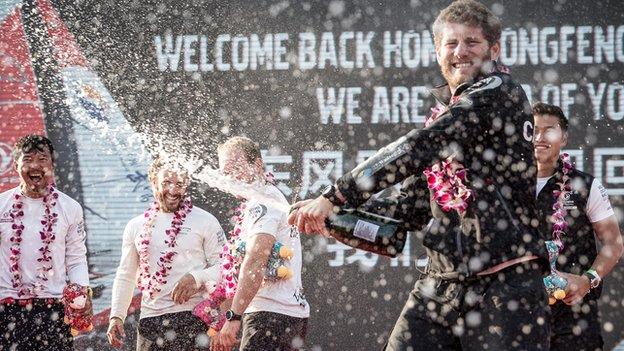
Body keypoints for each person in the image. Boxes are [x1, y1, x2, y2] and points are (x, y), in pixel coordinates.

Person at [289, 0, 551, 349]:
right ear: (438, 51)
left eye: (471, 42)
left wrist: (335, 196)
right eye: (451, 43)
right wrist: (334, 218)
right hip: (440, 285)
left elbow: (418, 146)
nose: (460, 52)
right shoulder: (445, 120)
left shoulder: (499, 92)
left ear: (494, 50)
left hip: (506, 284)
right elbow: (403, 214)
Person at [107, 157, 225, 350]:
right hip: (150, 322)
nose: (173, 190)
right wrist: (116, 315)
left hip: (194, 318)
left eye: (179, 184)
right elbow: (125, 275)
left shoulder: (205, 221)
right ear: (153, 182)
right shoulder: (136, 226)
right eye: (167, 183)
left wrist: (196, 277)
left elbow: (227, 269)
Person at [532, 102, 623, 351]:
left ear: (564, 138)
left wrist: (588, 280)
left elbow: (614, 243)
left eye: (549, 130)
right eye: (534, 130)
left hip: (574, 319)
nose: (539, 138)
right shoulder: (505, 186)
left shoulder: (585, 185)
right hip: (519, 316)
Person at [213, 136, 309, 351]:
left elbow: (256, 261)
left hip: (270, 317)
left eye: (234, 167)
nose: (229, 177)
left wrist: (234, 315)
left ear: (257, 165)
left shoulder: (263, 201)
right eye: (224, 171)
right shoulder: (261, 200)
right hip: (283, 316)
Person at [0, 134, 91, 350]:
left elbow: (76, 259)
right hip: (7, 309)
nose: (35, 166)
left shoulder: (70, 208)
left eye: (42, 159)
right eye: (28, 159)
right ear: (16, 165)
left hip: (53, 309)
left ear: (52, 165)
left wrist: (82, 293)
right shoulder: (1, 205)